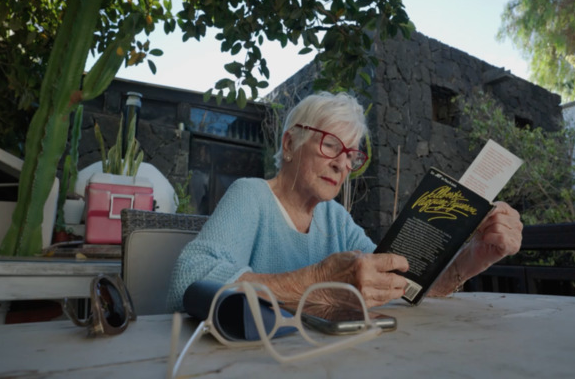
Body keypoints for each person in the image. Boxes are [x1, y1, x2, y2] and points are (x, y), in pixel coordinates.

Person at [167, 92, 523, 311]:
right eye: (330, 145)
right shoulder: (252, 195)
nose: (342, 164)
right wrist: (318, 282)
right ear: (289, 144)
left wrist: (473, 257)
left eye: (351, 155)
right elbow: (188, 281)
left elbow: (400, 284)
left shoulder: (335, 218)